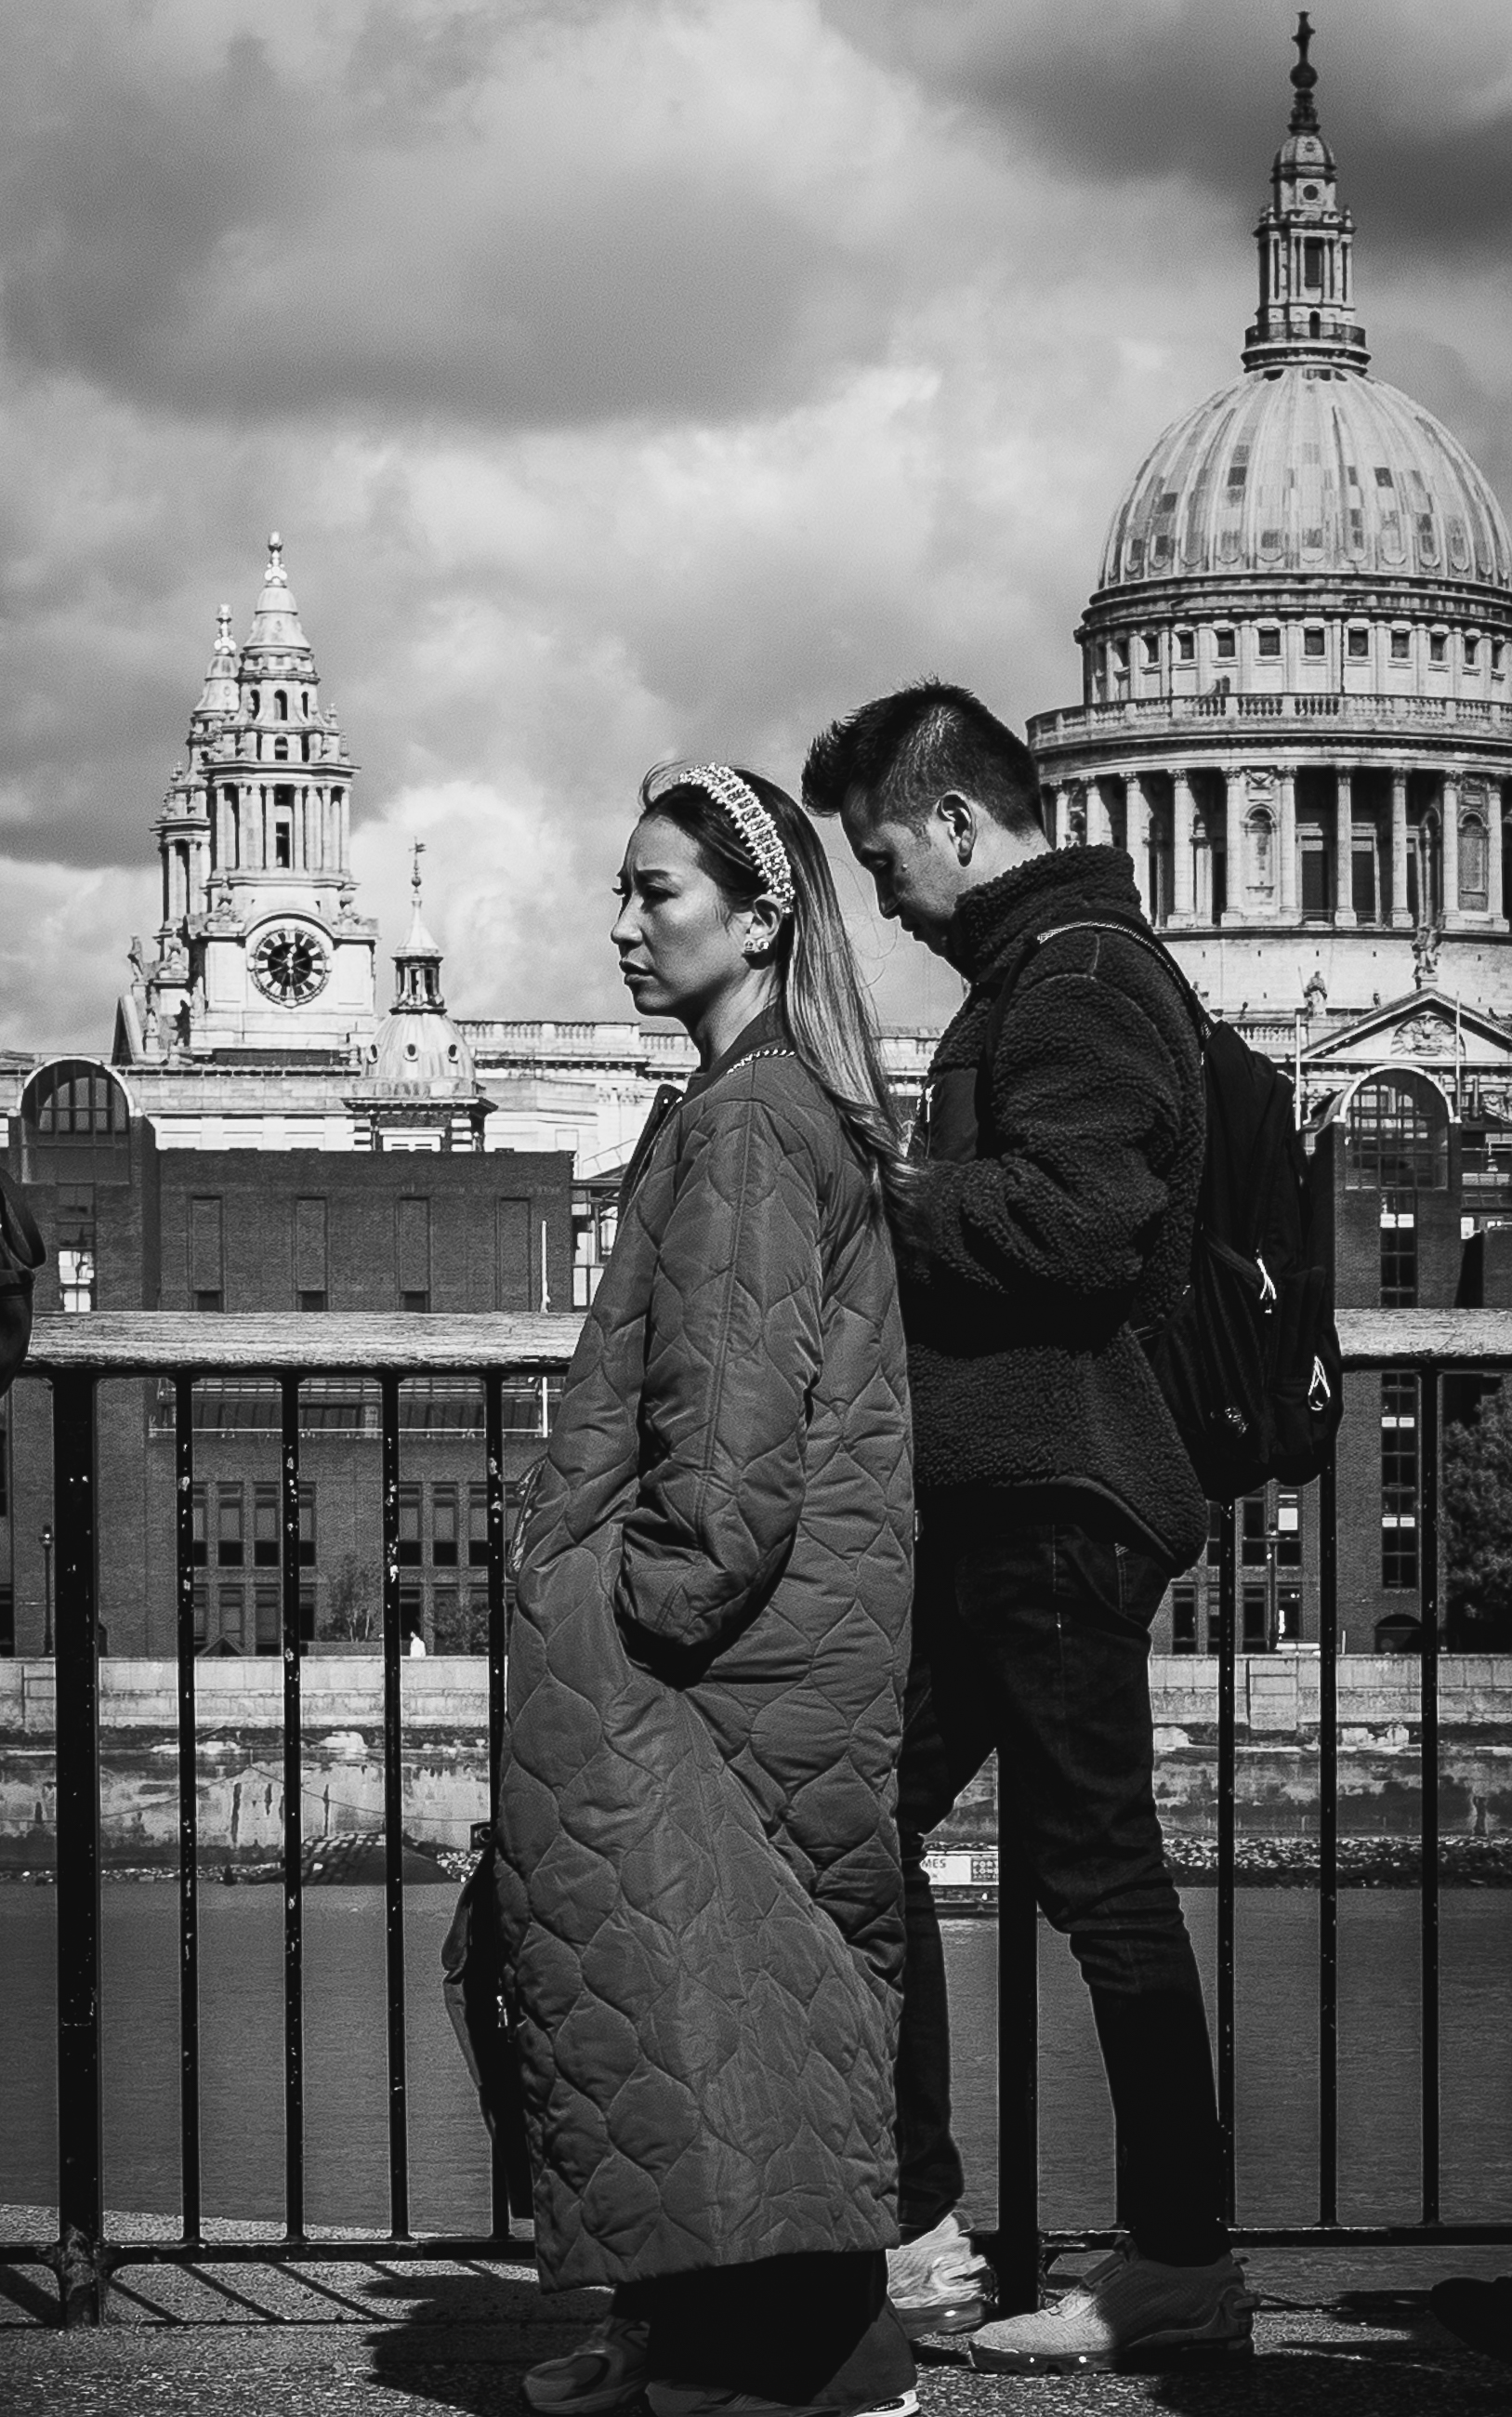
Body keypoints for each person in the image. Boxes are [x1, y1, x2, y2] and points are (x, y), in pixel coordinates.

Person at [802, 681, 1255, 2374]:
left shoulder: (1075, 981)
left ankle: (1171, 2261)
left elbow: (1076, 1226)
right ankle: (922, 2225)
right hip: (1011, 1492)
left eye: (884, 861)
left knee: (1096, 1878)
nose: (886, 902)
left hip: (1052, 1496)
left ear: (955, 822)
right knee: (861, 1825)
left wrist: (878, 1194)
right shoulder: (1054, 973)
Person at [496, 762, 918, 2417]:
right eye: (618, 889)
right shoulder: (762, 1100)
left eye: (654, 890)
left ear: (758, 920)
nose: (620, 923)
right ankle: (714, 2338)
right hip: (783, 1641)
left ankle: (786, 2360)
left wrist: (611, 1604)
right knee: (723, 1994)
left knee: (705, 1986)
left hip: (717, 1656)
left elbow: (728, 1444)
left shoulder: (745, 1120)